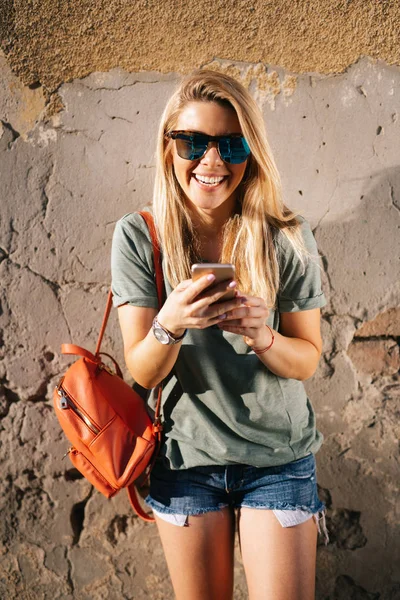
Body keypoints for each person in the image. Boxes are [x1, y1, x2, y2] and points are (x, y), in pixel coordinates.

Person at [111, 70, 328, 600]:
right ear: (169, 150)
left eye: (231, 144)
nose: (211, 162)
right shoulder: (140, 236)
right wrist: (171, 322)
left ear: (251, 152)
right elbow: (141, 369)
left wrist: (264, 337)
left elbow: (308, 360)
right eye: (193, 143)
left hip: (278, 458)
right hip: (187, 460)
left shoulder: (286, 237)